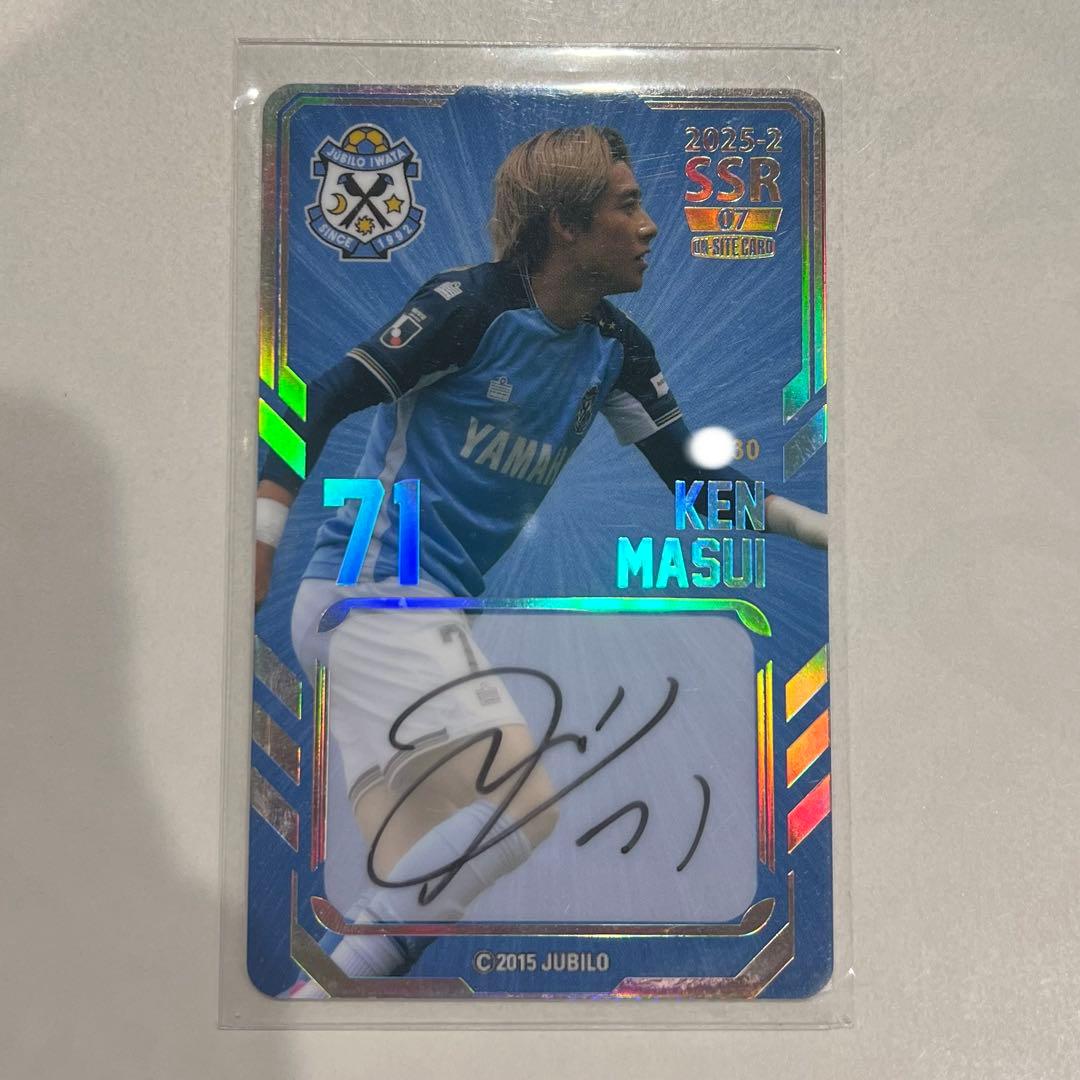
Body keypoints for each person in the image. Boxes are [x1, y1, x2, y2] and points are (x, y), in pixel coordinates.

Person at [255, 126, 826, 994]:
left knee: (433, 873)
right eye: (627, 206)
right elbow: (321, 396)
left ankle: (328, 1007)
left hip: (410, 610)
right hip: (374, 590)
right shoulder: (469, 308)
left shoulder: (616, 348)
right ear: (565, 223)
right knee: (519, 810)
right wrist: (261, 538)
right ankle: (320, 1000)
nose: (651, 227)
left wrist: (831, 533)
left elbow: (697, 489)